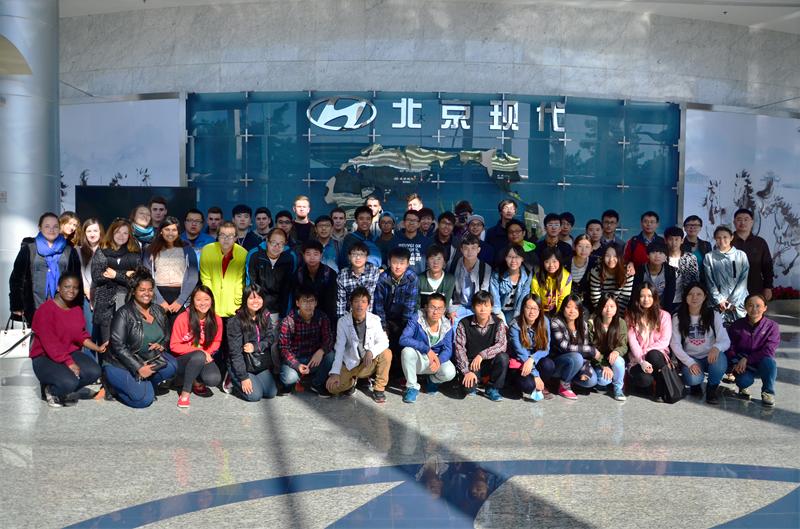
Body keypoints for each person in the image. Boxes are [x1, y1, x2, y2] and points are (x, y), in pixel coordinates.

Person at [105, 270, 177, 408]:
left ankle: (145, 384)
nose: (147, 293)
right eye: (142, 290)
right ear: (133, 291)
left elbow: (167, 335)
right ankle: (113, 387)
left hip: (146, 358)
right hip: (121, 364)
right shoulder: (124, 313)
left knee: (172, 365)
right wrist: (138, 367)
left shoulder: (158, 311)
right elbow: (118, 346)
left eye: (150, 290)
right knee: (144, 400)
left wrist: (162, 345)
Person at [29, 273, 104, 407]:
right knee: (69, 382)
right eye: (67, 286)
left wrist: (97, 348)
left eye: (75, 287)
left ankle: (65, 389)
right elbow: (50, 343)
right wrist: (69, 363)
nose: (71, 290)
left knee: (94, 371)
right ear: (58, 288)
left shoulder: (76, 309)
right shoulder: (45, 310)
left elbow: (80, 335)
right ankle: (51, 390)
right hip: (44, 356)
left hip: (67, 352)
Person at [10, 212, 82, 324]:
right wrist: (17, 304)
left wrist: (78, 308)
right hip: (35, 306)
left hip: (62, 306)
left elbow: (77, 280)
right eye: (47, 226)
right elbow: (17, 278)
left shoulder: (69, 250)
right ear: (40, 227)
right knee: (36, 334)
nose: (51, 230)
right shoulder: (29, 248)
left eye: (55, 226)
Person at [326, 287, 392, 403]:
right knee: (332, 388)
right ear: (351, 304)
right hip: (350, 364)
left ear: (368, 305)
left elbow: (384, 341)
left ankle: (379, 389)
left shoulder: (375, 320)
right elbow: (339, 348)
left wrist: (371, 352)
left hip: (367, 363)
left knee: (387, 353)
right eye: (356, 301)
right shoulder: (343, 322)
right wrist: (335, 373)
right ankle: (352, 383)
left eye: (363, 302)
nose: (360, 305)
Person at [670, 282, 730, 405]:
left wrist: (717, 347)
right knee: (693, 379)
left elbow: (725, 340)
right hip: (691, 358)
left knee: (720, 361)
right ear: (685, 297)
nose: (694, 297)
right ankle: (696, 385)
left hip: (710, 356)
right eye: (690, 294)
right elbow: (675, 344)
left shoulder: (714, 315)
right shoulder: (677, 317)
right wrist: (690, 362)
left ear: (705, 297)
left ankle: (712, 388)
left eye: (699, 294)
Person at [142, 216, 199, 334]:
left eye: (174, 230)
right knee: (158, 333)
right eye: (167, 229)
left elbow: (193, 276)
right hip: (157, 294)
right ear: (161, 231)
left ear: (178, 232)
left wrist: (180, 301)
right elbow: (147, 276)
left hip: (181, 295)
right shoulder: (150, 249)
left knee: (178, 333)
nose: (170, 233)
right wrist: (159, 300)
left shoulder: (187, 249)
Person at [170, 285, 223, 407]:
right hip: (182, 360)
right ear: (192, 301)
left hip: (203, 357)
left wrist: (207, 352)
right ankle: (185, 393)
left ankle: (195, 379)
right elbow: (174, 346)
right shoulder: (182, 318)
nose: (203, 303)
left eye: (206, 299)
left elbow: (217, 341)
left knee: (213, 379)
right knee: (198, 355)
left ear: (212, 301)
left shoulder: (217, 319)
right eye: (198, 300)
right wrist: (200, 351)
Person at [399, 293, 456, 403]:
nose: (435, 312)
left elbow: (448, 349)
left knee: (450, 372)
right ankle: (412, 387)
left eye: (439, 309)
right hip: (419, 358)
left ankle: (432, 381)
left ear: (444, 310)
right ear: (426, 307)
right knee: (407, 352)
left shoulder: (446, 325)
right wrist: (426, 349)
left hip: (435, 360)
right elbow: (403, 339)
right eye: (432, 307)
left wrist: (438, 361)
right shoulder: (417, 318)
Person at [226, 285, 280, 402]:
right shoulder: (236, 321)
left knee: (271, 392)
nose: (256, 301)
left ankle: (254, 379)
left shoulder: (265, 314)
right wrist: (243, 377)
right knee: (255, 396)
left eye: (259, 297)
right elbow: (235, 353)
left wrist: (256, 347)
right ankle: (231, 378)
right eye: (251, 298)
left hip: (257, 362)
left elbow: (270, 337)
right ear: (245, 300)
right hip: (242, 364)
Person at [279, 287, 336, 396]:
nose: (308, 305)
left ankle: (316, 383)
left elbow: (329, 339)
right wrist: (297, 365)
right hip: (296, 359)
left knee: (331, 356)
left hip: (314, 359)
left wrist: (321, 351)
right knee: (289, 378)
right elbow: (284, 349)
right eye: (304, 301)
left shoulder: (322, 317)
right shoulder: (288, 321)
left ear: (316, 303)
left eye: (311, 301)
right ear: (297, 303)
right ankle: (296, 380)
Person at [91, 218, 141, 342]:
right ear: (112, 233)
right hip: (105, 304)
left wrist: (115, 275)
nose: (121, 236)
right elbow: (97, 276)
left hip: (126, 301)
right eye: (118, 232)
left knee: (123, 341)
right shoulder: (102, 251)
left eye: (125, 233)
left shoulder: (134, 253)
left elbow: (137, 280)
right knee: (106, 342)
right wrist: (125, 275)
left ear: (129, 236)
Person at [453, 290, 508, 401]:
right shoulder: (463, 323)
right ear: (473, 307)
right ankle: (476, 381)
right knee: (469, 389)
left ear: (491, 307)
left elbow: (501, 345)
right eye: (479, 305)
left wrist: (482, 355)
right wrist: (466, 371)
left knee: (503, 357)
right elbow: (459, 349)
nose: (483, 309)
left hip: (490, 363)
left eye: (486, 305)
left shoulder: (499, 323)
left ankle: (493, 388)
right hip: (472, 364)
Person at [727, 293, 779, 407]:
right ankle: (743, 387)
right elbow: (730, 346)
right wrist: (735, 362)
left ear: (765, 308)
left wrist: (748, 359)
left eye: (758, 305)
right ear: (745, 307)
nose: (754, 309)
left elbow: (769, 350)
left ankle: (768, 392)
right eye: (750, 305)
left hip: (761, 362)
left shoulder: (772, 326)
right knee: (742, 381)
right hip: (742, 365)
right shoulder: (737, 325)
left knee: (770, 362)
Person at [626, 282, 673, 400]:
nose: (646, 299)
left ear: (655, 297)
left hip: (657, 356)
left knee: (653, 355)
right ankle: (648, 383)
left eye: (649, 296)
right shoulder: (631, 316)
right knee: (644, 380)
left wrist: (646, 352)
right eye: (642, 296)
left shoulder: (664, 316)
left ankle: (660, 387)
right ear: (637, 298)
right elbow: (633, 343)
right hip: (638, 358)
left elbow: (664, 341)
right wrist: (642, 361)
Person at [549, 294, 597, 399]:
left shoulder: (583, 325)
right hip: (558, 363)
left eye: (576, 308)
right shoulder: (556, 322)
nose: (572, 311)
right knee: (576, 357)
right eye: (568, 307)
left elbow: (584, 352)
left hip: (576, 362)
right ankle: (564, 386)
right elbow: (565, 347)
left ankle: (570, 380)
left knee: (591, 381)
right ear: (563, 308)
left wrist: (585, 370)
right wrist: (591, 350)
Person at [508, 294, 554, 400]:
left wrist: (532, 359)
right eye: (528, 308)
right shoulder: (515, 326)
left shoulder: (545, 321)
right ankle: (515, 384)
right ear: (523, 308)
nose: (531, 312)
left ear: (539, 310)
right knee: (528, 386)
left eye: (535, 308)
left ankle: (541, 385)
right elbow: (521, 353)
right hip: (520, 362)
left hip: (533, 360)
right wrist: (536, 375)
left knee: (549, 365)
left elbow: (546, 348)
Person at [374, 248, 419, 353]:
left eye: (402, 263)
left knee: (403, 341)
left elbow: (410, 306)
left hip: (403, 318)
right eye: (394, 262)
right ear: (389, 262)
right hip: (387, 317)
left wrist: (404, 328)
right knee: (385, 343)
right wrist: (383, 327)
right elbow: (379, 305)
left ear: (408, 264)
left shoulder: (412, 278)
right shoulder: (382, 278)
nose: (398, 267)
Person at [199, 221, 247, 319]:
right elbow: (205, 278)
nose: (226, 239)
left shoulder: (243, 253)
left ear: (236, 238)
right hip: (211, 305)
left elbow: (240, 281)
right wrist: (209, 300)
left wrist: (238, 302)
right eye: (222, 235)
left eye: (230, 236)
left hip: (234, 307)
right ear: (217, 236)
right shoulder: (207, 250)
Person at [246, 228, 296, 320]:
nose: (277, 247)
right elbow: (250, 284)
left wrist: (285, 314)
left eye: (281, 243)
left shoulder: (290, 257)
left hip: (279, 309)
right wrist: (253, 311)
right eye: (273, 242)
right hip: (259, 308)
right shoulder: (255, 255)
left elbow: (288, 288)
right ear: (267, 241)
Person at [585, 294, 628, 401]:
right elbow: (590, 348)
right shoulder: (592, 323)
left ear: (616, 308)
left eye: (612, 306)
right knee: (604, 380)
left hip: (612, 359)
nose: (608, 310)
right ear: (600, 307)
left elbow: (623, 345)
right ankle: (602, 383)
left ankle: (618, 388)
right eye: (605, 306)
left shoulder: (621, 323)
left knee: (619, 361)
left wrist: (617, 351)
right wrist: (603, 364)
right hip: (597, 360)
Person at [704, 225, 749, 324]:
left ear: (731, 237)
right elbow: (709, 281)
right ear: (715, 239)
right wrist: (719, 300)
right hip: (718, 304)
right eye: (718, 237)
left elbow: (743, 279)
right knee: (719, 329)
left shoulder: (741, 255)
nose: (722, 240)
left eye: (725, 237)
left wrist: (732, 301)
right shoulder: (709, 257)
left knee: (740, 329)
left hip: (739, 302)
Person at [732, 208, 774, 301]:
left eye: (746, 219)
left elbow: (767, 266)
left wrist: (768, 287)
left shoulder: (760, 242)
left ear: (752, 222)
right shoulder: (727, 241)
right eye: (739, 219)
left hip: (755, 288)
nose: (742, 222)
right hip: (731, 289)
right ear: (734, 222)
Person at [450, 234, 492, 323]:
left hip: (477, 307)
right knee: (453, 325)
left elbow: (484, 293)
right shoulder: (454, 264)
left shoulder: (485, 268)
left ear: (478, 250)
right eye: (466, 248)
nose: (470, 252)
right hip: (458, 306)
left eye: (473, 248)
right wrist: (450, 310)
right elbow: (449, 290)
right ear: (461, 249)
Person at [295, 239, 338, 324]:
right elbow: (297, 298)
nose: (312, 258)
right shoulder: (299, 274)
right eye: (308, 254)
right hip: (305, 316)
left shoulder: (330, 273)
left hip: (326, 315)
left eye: (315, 254)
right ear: (303, 255)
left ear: (321, 255)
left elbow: (332, 301)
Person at [336, 241, 381, 318]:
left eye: (361, 254)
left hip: (369, 315)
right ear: (349, 257)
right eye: (354, 254)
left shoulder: (374, 271)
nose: (358, 258)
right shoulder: (342, 275)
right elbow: (341, 301)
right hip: (349, 315)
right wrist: (341, 320)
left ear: (367, 257)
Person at [489, 244, 532, 324]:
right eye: (510, 257)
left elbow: (524, 296)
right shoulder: (497, 273)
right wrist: (498, 316)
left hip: (515, 311)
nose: (513, 261)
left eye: (517, 257)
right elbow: (494, 297)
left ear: (522, 258)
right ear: (505, 258)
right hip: (500, 310)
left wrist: (516, 316)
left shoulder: (527, 274)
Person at [77, 218, 104, 344]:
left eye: (95, 231)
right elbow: (80, 273)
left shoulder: (107, 250)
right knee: (89, 334)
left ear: (100, 232)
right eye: (89, 231)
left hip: (104, 297)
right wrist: (88, 291)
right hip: (86, 297)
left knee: (104, 336)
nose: (92, 234)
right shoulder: (78, 250)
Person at [588, 244, 635, 313]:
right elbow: (595, 298)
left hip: (618, 312)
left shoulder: (627, 272)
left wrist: (617, 316)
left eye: (615, 256)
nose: (611, 259)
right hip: (601, 310)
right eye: (607, 256)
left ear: (620, 257)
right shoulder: (596, 271)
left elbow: (624, 299)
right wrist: (603, 314)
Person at [633, 242, 677, 313]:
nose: (657, 256)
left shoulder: (670, 271)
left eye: (661, 253)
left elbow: (670, 295)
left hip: (662, 309)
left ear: (665, 257)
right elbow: (635, 293)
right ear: (647, 255)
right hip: (642, 308)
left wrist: (665, 313)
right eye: (653, 252)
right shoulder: (640, 270)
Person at [530, 247, 572, 315]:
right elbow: (535, 298)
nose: (551, 265)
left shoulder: (567, 277)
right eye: (547, 262)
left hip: (558, 311)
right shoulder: (537, 276)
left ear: (559, 261)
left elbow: (563, 299)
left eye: (554, 261)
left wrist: (557, 315)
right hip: (540, 310)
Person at [665, 226, 699, 307]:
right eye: (670, 239)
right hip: (665, 300)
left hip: (685, 300)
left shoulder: (690, 258)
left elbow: (695, 280)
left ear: (682, 240)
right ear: (665, 240)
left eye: (676, 239)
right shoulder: (662, 258)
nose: (674, 243)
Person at [389, 209, 432, 275]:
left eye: (414, 220)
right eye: (408, 220)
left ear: (419, 224)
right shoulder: (394, 241)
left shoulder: (426, 242)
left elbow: (429, 263)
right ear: (404, 223)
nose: (411, 223)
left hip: (420, 279)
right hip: (400, 278)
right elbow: (390, 262)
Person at [418, 245, 455, 311]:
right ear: (427, 261)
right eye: (432, 258)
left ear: (444, 262)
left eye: (439, 259)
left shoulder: (450, 279)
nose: (435, 262)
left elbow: (446, 304)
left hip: (441, 313)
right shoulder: (419, 279)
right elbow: (416, 304)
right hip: (422, 313)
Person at [568, 234, 596, 305]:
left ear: (592, 248)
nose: (583, 250)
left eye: (587, 247)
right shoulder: (566, 262)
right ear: (574, 247)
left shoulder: (595, 263)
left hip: (588, 304)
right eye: (580, 246)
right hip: (568, 303)